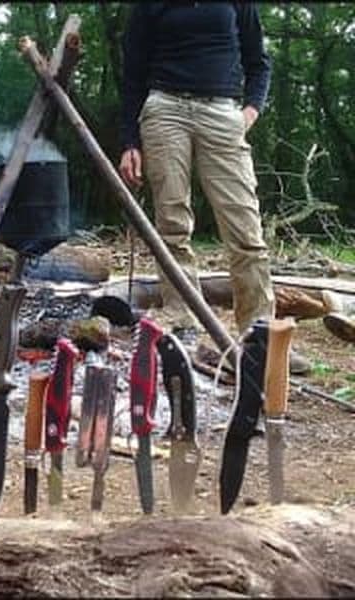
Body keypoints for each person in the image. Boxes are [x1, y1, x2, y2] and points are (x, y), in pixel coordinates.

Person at [118, 2, 309, 374]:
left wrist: (249, 112)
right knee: (171, 224)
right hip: (164, 110)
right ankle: (181, 324)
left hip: (222, 112)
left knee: (245, 229)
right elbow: (133, 74)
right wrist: (129, 142)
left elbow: (259, 61)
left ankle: (260, 336)